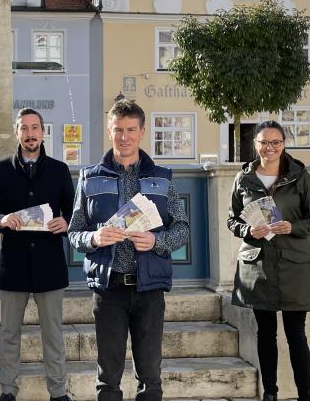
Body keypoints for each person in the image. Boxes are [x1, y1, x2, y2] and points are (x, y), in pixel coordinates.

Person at [67, 100, 189, 401]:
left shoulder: (162, 177)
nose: (124, 137)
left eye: (131, 130)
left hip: (149, 290)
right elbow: (74, 233)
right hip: (109, 290)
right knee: (107, 378)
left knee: (150, 376)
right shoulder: (90, 177)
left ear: (142, 132)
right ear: (110, 131)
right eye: (118, 130)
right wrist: (95, 238)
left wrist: (157, 242)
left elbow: (182, 229)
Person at [0, 109, 75, 401]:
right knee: (9, 334)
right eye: (24, 129)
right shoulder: (0, 168)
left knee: (54, 335)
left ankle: (58, 392)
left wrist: (66, 222)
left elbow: (74, 212)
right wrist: (0, 220)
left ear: (43, 132)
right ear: (17, 133)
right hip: (13, 265)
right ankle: (8, 391)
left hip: (50, 266)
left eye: (35, 128)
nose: (30, 134)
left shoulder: (59, 169)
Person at [227, 120, 310, 401]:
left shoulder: (299, 175)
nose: (269, 148)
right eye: (263, 142)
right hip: (258, 265)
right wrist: (247, 230)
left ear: (283, 144)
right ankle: (270, 393)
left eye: (275, 142)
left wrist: (292, 227)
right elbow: (232, 219)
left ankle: (306, 394)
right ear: (255, 145)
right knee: (265, 333)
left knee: (297, 333)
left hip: (294, 264)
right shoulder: (243, 178)